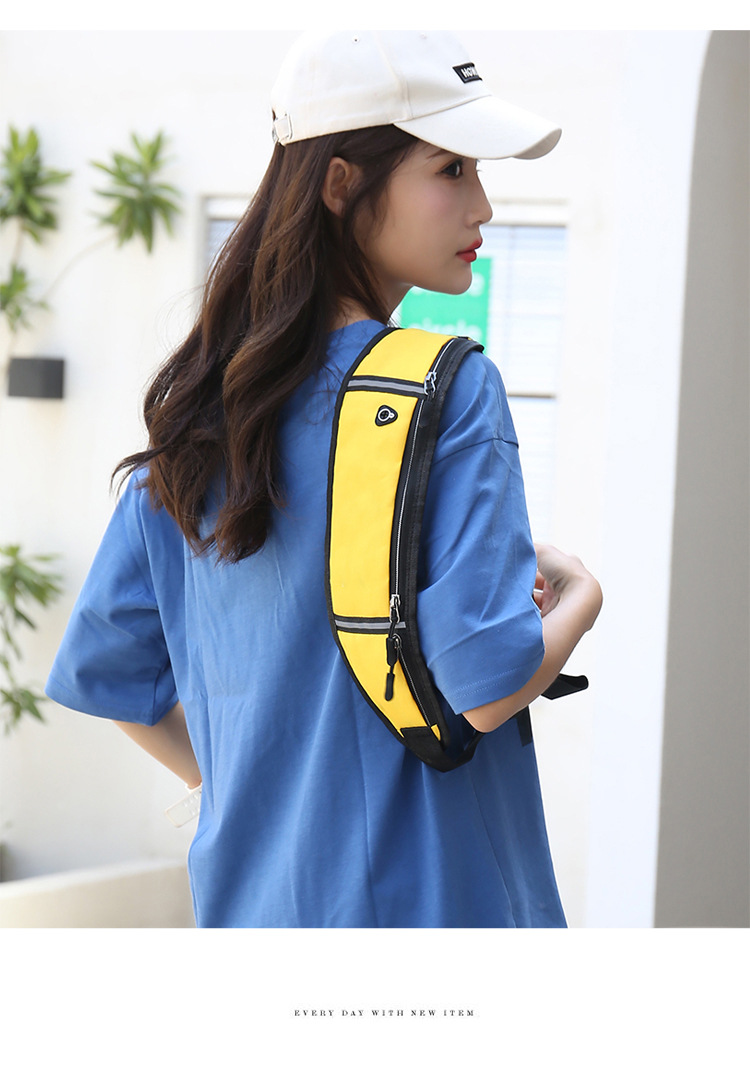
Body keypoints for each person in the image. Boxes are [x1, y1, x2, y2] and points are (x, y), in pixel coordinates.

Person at [46, 30, 602, 928]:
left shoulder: (203, 414)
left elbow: (113, 676)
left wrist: (256, 789)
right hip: (436, 918)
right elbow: (486, 686)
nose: (484, 204)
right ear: (341, 184)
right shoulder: (447, 391)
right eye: (451, 169)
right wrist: (582, 595)